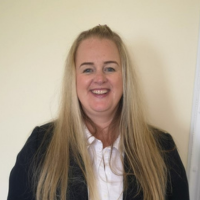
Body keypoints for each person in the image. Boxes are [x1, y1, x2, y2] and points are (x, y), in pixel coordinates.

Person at [7, 25, 189, 200]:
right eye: (88, 69)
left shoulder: (163, 149)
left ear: (124, 77)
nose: (100, 78)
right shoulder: (40, 146)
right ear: (74, 79)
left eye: (110, 68)